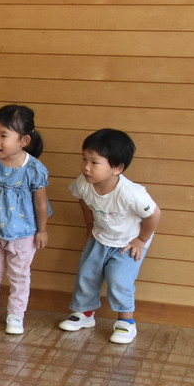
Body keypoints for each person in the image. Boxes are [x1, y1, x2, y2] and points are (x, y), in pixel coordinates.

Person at [59, 128, 160, 344]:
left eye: (95, 162)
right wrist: (89, 225)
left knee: (119, 280)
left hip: (128, 243)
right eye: (84, 159)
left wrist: (141, 240)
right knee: (87, 274)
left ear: (117, 168)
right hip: (100, 237)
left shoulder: (131, 194)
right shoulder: (83, 183)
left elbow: (154, 214)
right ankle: (85, 314)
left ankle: (126, 322)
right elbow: (81, 198)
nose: (86, 167)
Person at [0, 104, 51, 335]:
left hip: (23, 234)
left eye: (4, 135)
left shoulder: (34, 169)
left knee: (19, 275)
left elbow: (41, 203)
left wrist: (42, 230)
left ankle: (16, 314)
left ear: (24, 140)